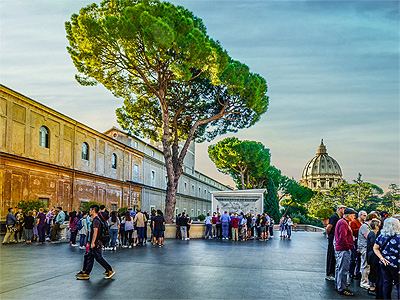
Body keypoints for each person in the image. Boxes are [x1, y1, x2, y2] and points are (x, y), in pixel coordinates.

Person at [76, 204, 115, 280]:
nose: (89, 212)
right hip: (95, 242)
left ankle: (109, 269)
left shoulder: (96, 220)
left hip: (96, 242)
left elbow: (95, 232)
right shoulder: (97, 219)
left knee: (98, 258)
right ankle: (86, 272)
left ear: (93, 211)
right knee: (89, 256)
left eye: (90, 210)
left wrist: (93, 242)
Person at [373, 217, 400, 300]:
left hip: (385, 263)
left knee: (387, 283)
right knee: (398, 285)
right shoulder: (399, 238)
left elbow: (375, 248)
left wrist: (381, 258)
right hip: (397, 265)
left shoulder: (381, 236)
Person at [334, 207, 357, 296]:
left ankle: (339, 285)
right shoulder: (343, 223)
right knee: (343, 269)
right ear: (348, 215)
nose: (354, 217)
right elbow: (342, 238)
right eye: (353, 215)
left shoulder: (342, 222)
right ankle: (342, 288)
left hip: (341, 249)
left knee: (339, 268)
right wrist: (348, 247)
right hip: (343, 249)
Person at [325, 204, 347, 281]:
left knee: (334, 255)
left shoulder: (340, 217)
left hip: (336, 237)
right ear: (340, 209)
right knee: (331, 254)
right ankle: (329, 273)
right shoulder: (334, 217)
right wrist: (328, 234)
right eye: (344, 209)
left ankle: (333, 273)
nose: (345, 210)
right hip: (333, 237)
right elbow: (329, 227)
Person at [358, 212, 378, 290]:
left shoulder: (367, 226)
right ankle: (364, 282)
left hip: (368, 248)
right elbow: (368, 237)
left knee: (368, 266)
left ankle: (366, 281)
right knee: (365, 265)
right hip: (364, 248)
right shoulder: (364, 227)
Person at [349, 210, 367, 280]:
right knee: (353, 258)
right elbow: (353, 231)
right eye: (364, 215)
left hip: (361, 241)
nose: (365, 217)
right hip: (355, 241)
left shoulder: (364, 223)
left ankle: (358, 272)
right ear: (360, 215)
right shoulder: (354, 222)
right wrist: (362, 228)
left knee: (359, 258)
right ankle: (351, 272)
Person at [366, 219, 381, 296]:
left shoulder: (372, 233)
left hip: (371, 254)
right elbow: (373, 245)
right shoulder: (373, 234)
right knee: (373, 270)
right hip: (372, 255)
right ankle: (372, 287)